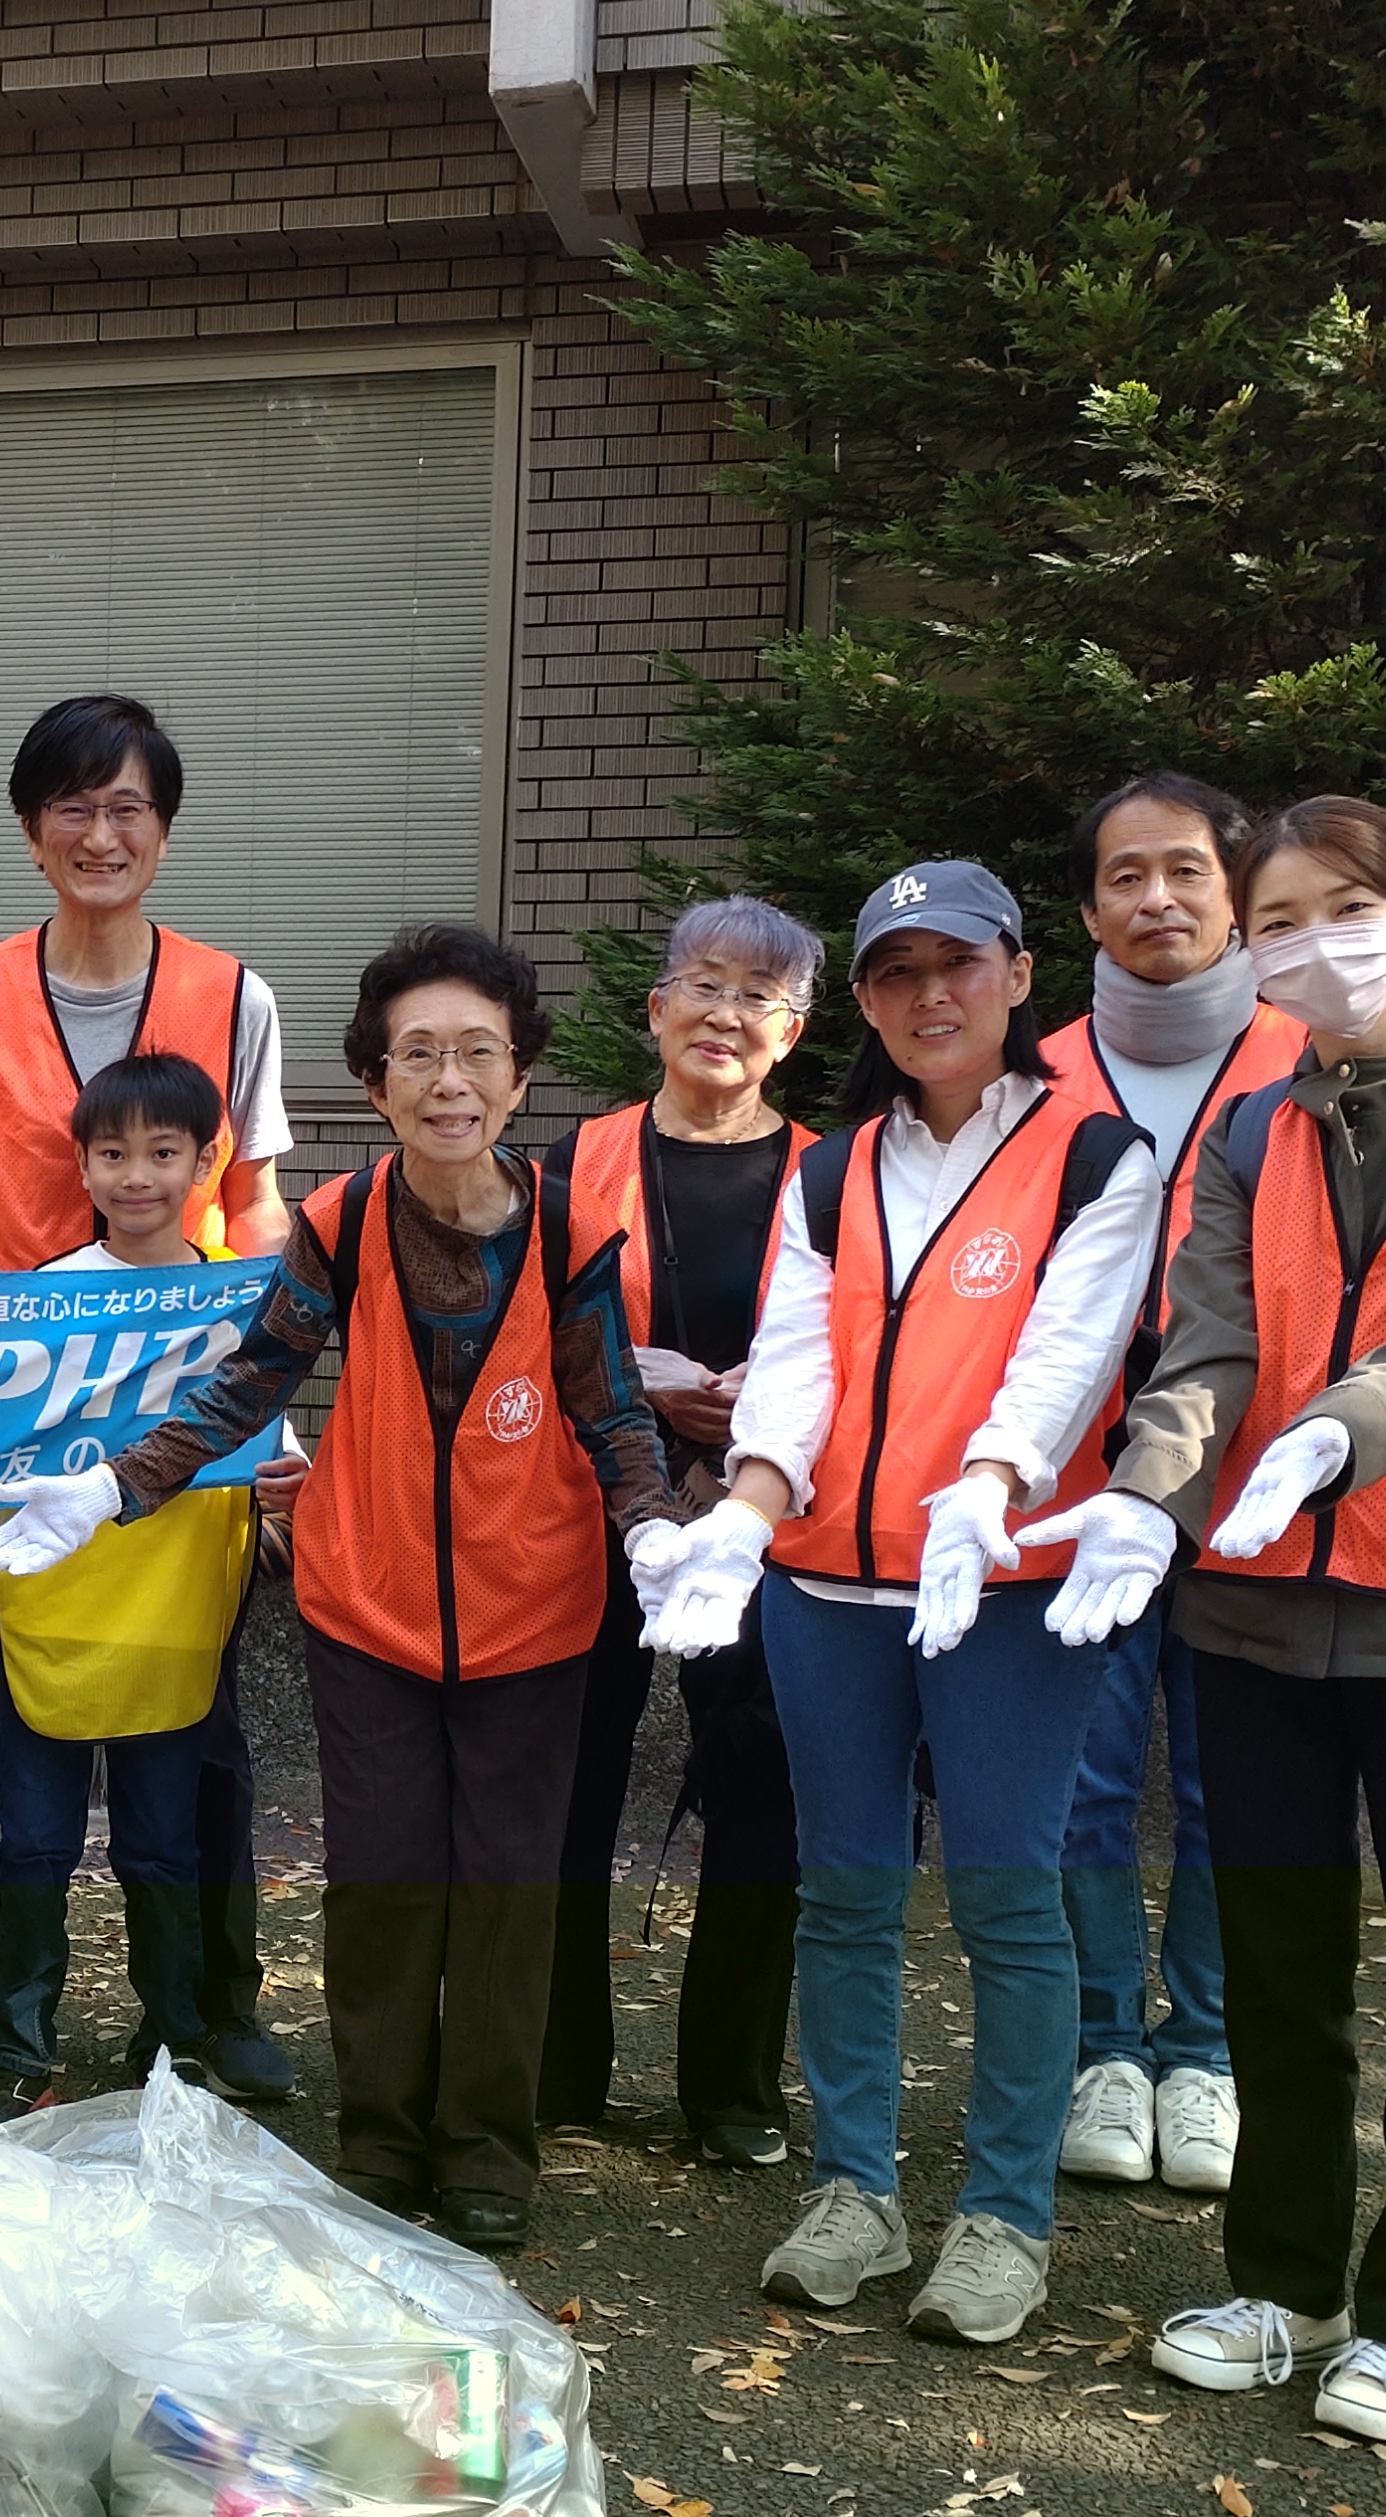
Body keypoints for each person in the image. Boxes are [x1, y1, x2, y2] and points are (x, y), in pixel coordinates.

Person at [0, 924, 766, 2252]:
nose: (450, 1080)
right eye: (419, 1056)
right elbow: (245, 1383)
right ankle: (384, 2141)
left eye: (479, 1054)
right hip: (367, 1609)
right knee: (387, 1885)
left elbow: (611, 1404)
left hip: (536, 1614)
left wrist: (653, 1529)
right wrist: (115, 1485)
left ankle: (489, 2153)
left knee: (509, 1895)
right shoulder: (340, 1223)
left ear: (519, 1080)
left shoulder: (575, 1224)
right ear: (376, 1080)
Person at [1028, 796, 1386, 2447]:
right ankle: (1283, 2283)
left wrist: (1338, 1432)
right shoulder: (1248, 1132)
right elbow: (1204, 1347)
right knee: (1279, 1979)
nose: (1310, 944)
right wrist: (1156, 1489)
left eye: (1343, 907)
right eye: (1277, 920)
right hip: (1263, 1615)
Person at [689, 860, 1163, 2345]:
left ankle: (1007, 2220)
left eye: (958, 964)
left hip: (1008, 1586)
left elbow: (1074, 1351)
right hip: (826, 1582)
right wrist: (743, 1512)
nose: (929, 995)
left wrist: (995, 1482)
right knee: (845, 1893)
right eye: (896, 973)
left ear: (1022, 974)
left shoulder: (1097, 1154)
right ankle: (854, 2189)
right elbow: (795, 1356)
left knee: (1014, 1900)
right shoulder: (830, 1168)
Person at [0, 696, 300, 2106]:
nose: (100, 833)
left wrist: (271, 1412)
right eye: (73, 806)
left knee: (200, 1735)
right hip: (9, 1413)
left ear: (164, 832)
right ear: (32, 829)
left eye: (128, 809)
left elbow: (259, 1207)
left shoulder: (236, 998)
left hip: (184, 1428)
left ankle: (217, 2009)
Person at [0, 1054, 269, 2124]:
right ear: (83, 1163)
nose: (137, 1174)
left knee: (163, 1843)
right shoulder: (44, 1304)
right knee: (39, 1842)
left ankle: (178, 2039)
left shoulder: (243, 1300)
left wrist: (287, 1485)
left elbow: (265, 1443)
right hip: (49, 1620)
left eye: (164, 1152)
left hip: (175, 1615)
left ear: (210, 1161)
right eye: (113, 1152)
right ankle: (19, 2044)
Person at [1038, 775, 1309, 2194]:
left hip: (1253, 1472)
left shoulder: (1311, 1057)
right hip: (1080, 1481)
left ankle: (1202, 2052)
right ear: (1087, 910)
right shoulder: (1039, 1069)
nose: (1158, 900)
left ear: (1232, 888)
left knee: (1230, 1782)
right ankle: (1100, 2047)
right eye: (1126, 877)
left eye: (1185, 873)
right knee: (1081, 1781)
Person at [546, 894, 819, 2168]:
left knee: (760, 1784)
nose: (724, 1015)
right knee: (568, 1770)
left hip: (766, 1518)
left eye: (757, 997)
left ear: (794, 1030)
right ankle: (558, 2065)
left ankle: (732, 2087)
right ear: (656, 1010)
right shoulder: (572, 1160)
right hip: (593, 1499)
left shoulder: (839, 1171)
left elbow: (863, 1343)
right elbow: (524, 1324)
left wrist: (757, 1405)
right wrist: (628, 1381)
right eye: (702, 986)